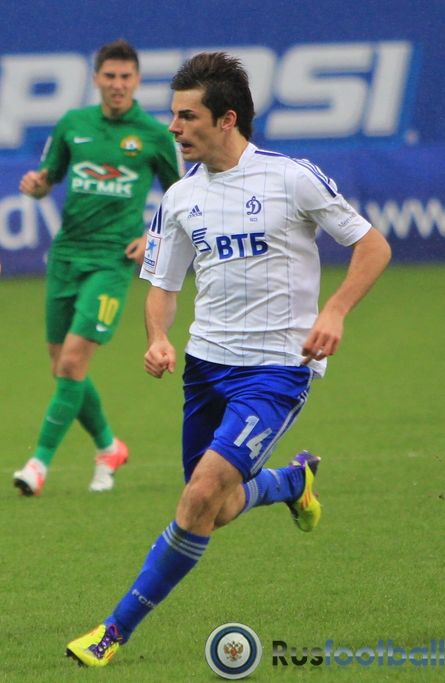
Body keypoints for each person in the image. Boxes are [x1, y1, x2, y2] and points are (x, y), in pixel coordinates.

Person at [65, 52, 391, 667]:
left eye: (187, 116)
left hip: (277, 370)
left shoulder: (291, 178)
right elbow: (162, 286)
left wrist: (335, 311)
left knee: (198, 499)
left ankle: (111, 632)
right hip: (205, 367)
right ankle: (291, 482)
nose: (173, 127)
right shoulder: (180, 197)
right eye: (173, 115)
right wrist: (157, 338)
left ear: (227, 118)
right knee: (214, 506)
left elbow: (373, 246)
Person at [13, 39, 182, 497]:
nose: (118, 84)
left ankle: (38, 463)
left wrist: (153, 236)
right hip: (66, 256)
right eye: (110, 76)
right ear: (97, 79)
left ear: (137, 81)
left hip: (112, 262)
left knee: (71, 361)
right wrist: (37, 186)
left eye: (126, 77)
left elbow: (182, 196)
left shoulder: (154, 135)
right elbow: (49, 177)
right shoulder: (73, 124)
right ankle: (109, 447)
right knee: (62, 366)